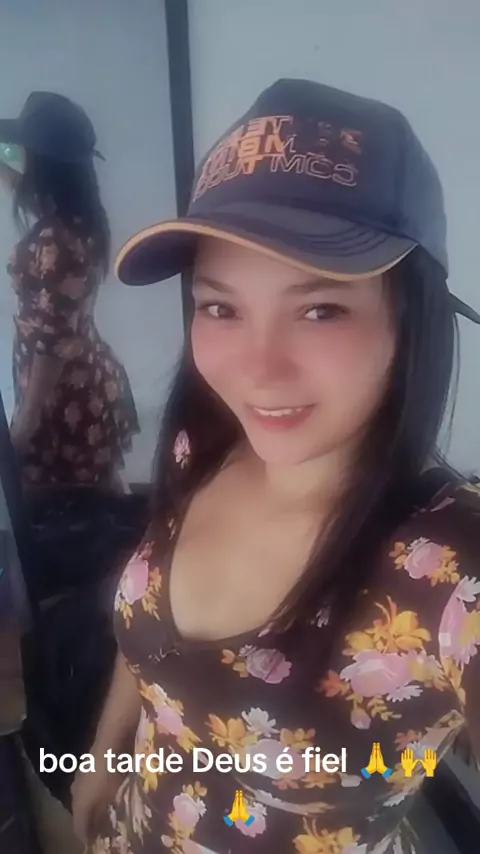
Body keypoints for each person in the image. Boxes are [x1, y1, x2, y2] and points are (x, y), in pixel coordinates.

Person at [74, 79, 480, 854]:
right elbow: (149, 638)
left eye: (321, 309)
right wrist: (104, 758)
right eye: (221, 307)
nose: (257, 373)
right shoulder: (206, 443)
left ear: (412, 321)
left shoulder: (448, 571)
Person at [0, 92, 139, 488]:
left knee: (66, 502)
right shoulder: (80, 218)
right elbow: (26, 191)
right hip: (84, 378)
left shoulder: (53, 243)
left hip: (60, 393)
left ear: (41, 168)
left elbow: (50, 342)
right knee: (98, 488)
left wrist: (25, 423)